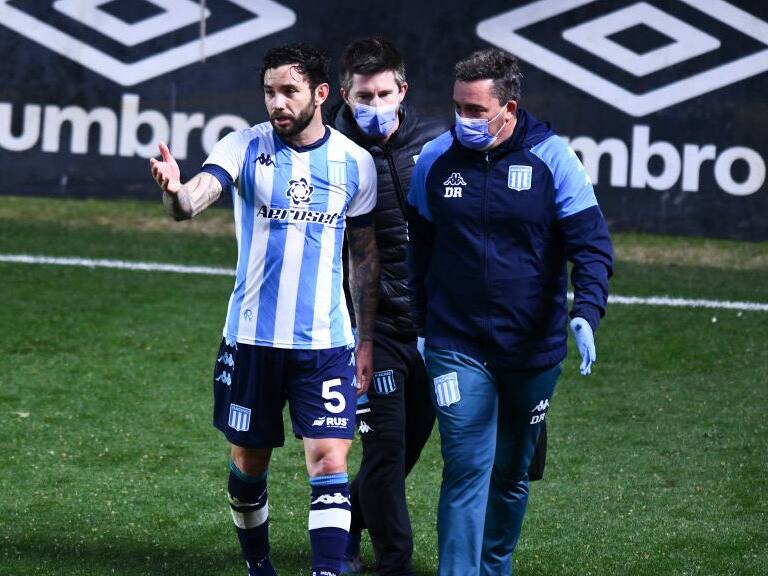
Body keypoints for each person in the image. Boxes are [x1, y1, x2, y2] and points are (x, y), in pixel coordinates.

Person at [149, 43, 380, 576]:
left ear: (321, 94)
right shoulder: (242, 147)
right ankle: (260, 569)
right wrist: (173, 191)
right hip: (252, 341)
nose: (276, 103)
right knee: (249, 462)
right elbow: (190, 204)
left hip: (324, 344)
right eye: (269, 92)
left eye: (289, 92)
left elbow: (364, 259)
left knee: (330, 461)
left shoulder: (355, 162)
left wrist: (364, 340)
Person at [407, 48, 613, 575]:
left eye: (476, 110)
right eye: (458, 107)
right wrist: (423, 326)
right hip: (457, 345)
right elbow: (419, 250)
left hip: (533, 349)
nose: (464, 120)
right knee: (466, 467)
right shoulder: (434, 160)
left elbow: (591, 246)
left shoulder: (553, 159)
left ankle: (494, 567)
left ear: (509, 108)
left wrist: (586, 311)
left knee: (511, 472)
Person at [329, 37, 445, 576]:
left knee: (409, 447)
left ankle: (347, 524)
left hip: (434, 324)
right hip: (367, 327)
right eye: (362, 97)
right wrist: (359, 338)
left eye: (383, 94)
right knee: (384, 451)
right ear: (345, 97)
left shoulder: (437, 142)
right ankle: (394, 564)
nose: (374, 107)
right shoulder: (329, 151)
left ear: (403, 90)